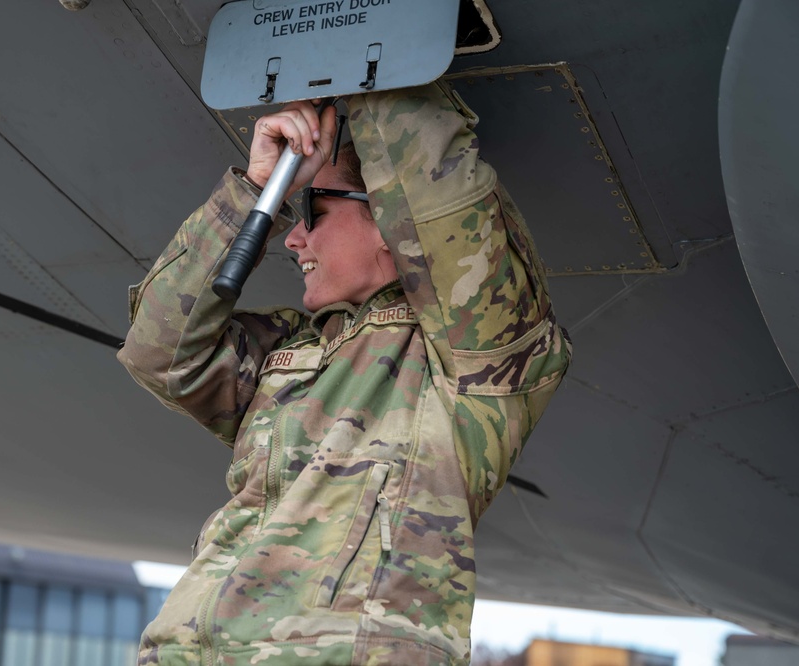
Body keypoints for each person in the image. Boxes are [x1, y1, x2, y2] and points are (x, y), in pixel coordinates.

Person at [118, 82, 571, 666]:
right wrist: (253, 189)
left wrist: (374, 62)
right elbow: (158, 352)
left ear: (387, 218)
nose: (293, 235)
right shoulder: (291, 348)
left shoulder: (473, 351)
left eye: (313, 210)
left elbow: (436, 198)